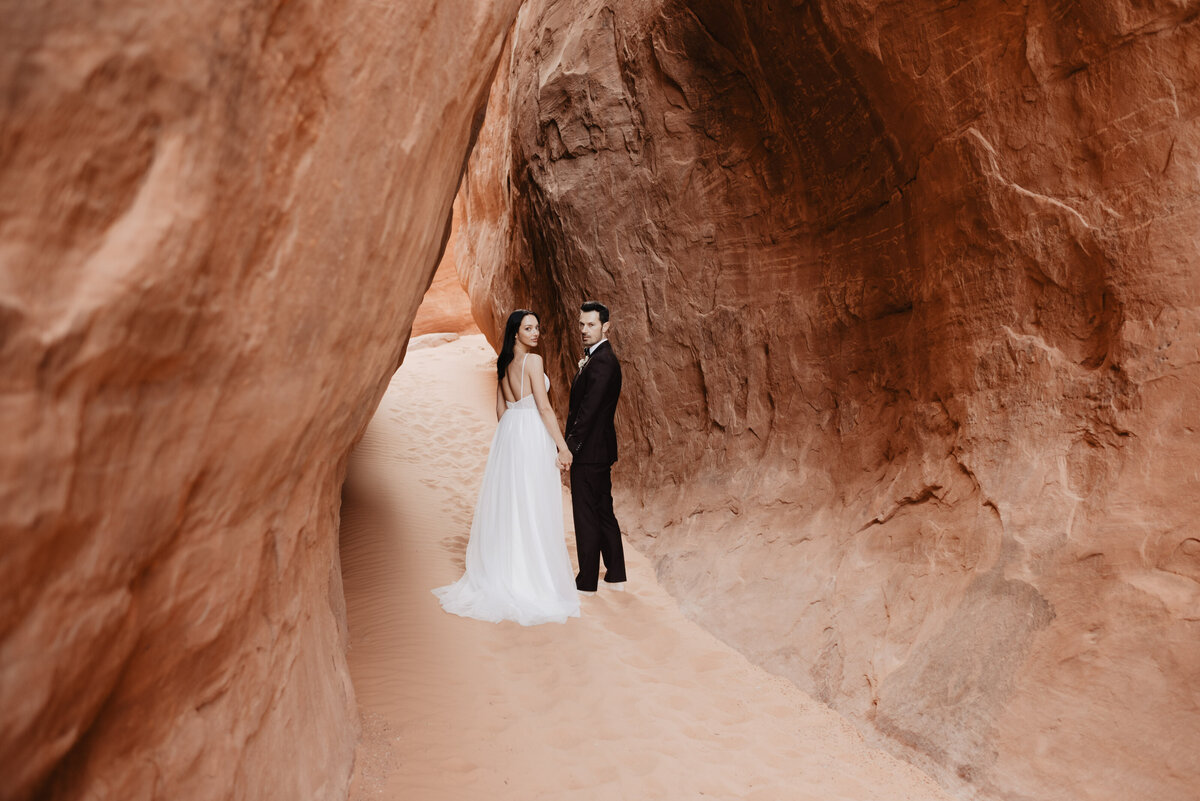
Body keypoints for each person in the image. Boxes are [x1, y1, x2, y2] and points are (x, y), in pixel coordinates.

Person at [432, 310, 581, 625]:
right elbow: (543, 406)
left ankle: (508, 570)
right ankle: (531, 577)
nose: (536, 332)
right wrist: (562, 445)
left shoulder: (503, 365)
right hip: (531, 434)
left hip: (511, 435)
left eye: (537, 327)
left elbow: (500, 411)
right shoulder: (533, 362)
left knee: (513, 503)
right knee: (535, 503)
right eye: (529, 328)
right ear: (516, 332)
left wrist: (513, 434)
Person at [565, 301, 627, 594]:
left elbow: (587, 412)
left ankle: (587, 580)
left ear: (606, 327)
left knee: (587, 515)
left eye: (591, 325)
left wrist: (569, 448)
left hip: (589, 453)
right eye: (581, 324)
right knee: (602, 511)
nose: (584, 330)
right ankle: (615, 575)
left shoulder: (602, 361)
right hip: (598, 451)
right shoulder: (597, 358)